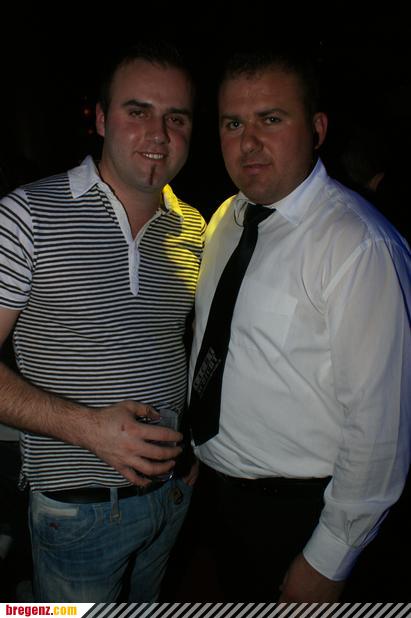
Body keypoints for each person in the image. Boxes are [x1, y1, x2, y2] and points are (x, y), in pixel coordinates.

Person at [188, 48, 411, 602]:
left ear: (317, 129)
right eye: (232, 123)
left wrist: (328, 559)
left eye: (270, 118)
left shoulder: (358, 246)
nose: (248, 142)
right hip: (220, 499)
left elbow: (381, 430)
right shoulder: (226, 219)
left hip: (303, 516)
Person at [0, 41, 205, 602]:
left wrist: (193, 453)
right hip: (78, 516)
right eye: (138, 111)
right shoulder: (27, 214)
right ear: (99, 118)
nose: (158, 133)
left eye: (177, 118)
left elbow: (185, 349)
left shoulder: (195, 229)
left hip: (171, 500)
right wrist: (89, 429)